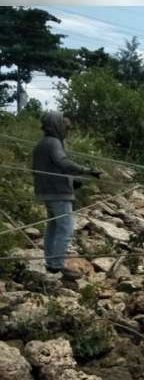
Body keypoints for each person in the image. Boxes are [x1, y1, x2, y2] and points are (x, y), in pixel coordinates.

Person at [32, 111, 101, 279]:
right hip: (58, 194)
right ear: (56, 125)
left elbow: (48, 168)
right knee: (66, 228)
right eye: (65, 127)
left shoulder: (41, 144)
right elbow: (61, 162)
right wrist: (86, 171)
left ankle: (50, 262)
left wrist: (71, 180)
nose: (67, 130)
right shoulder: (54, 142)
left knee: (53, 227)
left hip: (46, 192)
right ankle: (56, 265)